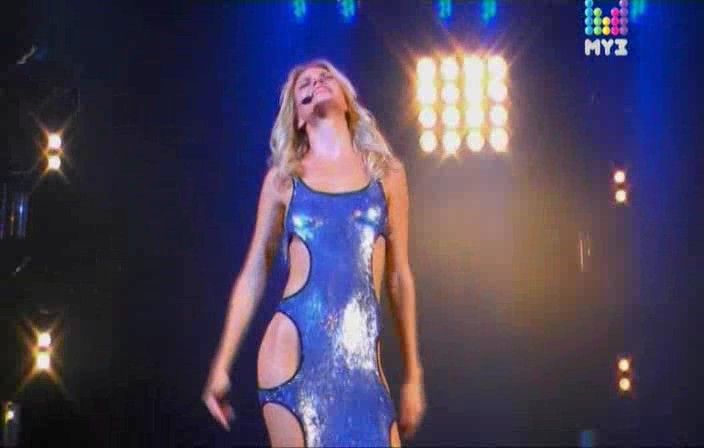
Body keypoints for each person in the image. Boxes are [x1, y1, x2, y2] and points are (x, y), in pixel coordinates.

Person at [202, 58, 426, 447]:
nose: (316, 82)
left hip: (361, 363)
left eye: (325, 77)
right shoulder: (283, 180)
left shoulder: (387, 174)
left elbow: (398, 277)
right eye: (304, 84)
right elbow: (254, 272)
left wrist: (413, 374)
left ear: (347, 100)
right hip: (292, 354)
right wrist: (221, 364)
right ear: (297, 116)